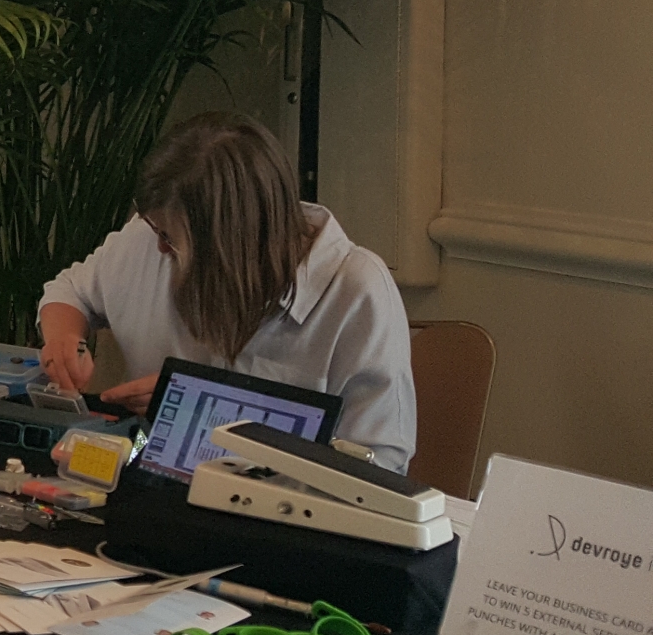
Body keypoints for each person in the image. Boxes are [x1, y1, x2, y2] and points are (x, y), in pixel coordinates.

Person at [37, 111, 418, 470]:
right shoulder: (147, 241)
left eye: (173, 239)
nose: (160, 249)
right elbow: (69, 291)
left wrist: (202, 412)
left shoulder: (356, 292)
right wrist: (65, 339)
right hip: (149, 465)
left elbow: (379, 465)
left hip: (281, 501)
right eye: (159, 231)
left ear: (230, 245)